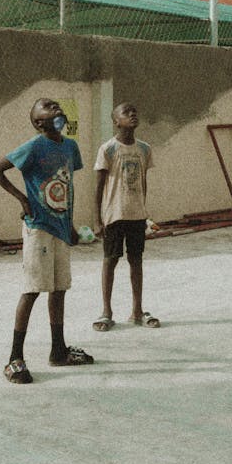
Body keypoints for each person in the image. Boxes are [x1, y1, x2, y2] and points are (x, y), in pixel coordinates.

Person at [0, 97, 94, 383]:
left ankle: (58, 351)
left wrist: (70, 224)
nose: (56, 109)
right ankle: (14, 358)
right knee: (33, 288)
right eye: (47, 107)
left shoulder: (70, 147)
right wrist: (23, 200)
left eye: (56, 105)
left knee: (59, 288)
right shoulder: (34, 146)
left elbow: (63, 186)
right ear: (38, 122)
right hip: (38, 228)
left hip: (60, 229)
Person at [92, 102, 160, 332]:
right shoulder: (108, 149)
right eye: (126, 112)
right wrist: (97, 219)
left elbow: (143, 182)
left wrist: (144, 211)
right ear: (115, 121)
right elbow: (99, 186)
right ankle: (106, 311)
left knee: (136, 260)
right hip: (114, 214)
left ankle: (137, 310)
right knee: (110, 261)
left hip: (136, 215)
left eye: (135, 111)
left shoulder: (144, 149)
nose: (132, 114)